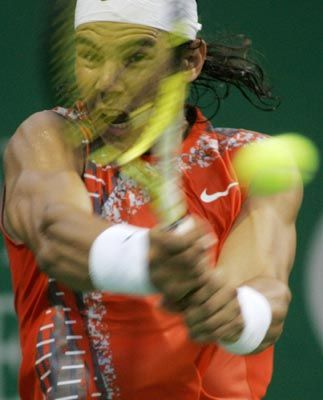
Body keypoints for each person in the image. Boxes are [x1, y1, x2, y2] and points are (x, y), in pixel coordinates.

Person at [2, 0, 302, 399]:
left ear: (190, 60)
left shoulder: (252, 163)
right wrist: (143, 259)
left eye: (136, 57)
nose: (106, 81)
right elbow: (55, 232)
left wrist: (240, 313)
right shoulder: (50, 140)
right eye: (89, 54)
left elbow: (266, 288)